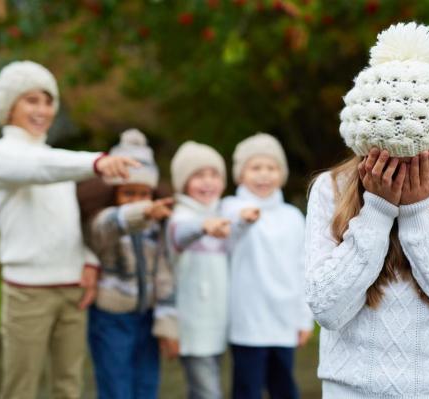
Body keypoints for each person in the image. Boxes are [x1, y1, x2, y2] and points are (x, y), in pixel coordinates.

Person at [305, 22, 429, 398]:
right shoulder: (332, 189)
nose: (402, 165)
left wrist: (415, 213)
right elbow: (328, 310)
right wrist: (377, 211)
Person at [0, 60, 137, 399]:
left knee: (69, 387)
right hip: (28, 293)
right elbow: (38, 168)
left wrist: (89, 260)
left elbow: (66, 222)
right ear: (9, 106)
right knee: (20, 389)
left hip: (72, 291)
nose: (42, 110)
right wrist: (95, 162)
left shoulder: (57, 161)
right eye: (31, 100)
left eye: (48, 101)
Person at [84, 129, 177, 399]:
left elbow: (163, 272)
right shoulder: (104, 221)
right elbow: (108, 225)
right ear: (113, 193)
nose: (136, 200)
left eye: (143, 193)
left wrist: (167, 323)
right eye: (128, 193)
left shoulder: (155, 228)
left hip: (146, 317)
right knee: (116, 387)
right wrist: (143, 211)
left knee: (147, 386)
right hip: (111, 319)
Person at [223, 133, 313, 399]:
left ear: (281, 173)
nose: (264, 175)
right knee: (247, 389)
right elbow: (228, 233)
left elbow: (303, 267)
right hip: (247, 321)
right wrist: (243, 219)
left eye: (271, 168)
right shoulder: (232, 207)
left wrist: (303, 317)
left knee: (284, 388)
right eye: (255, 168)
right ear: (241, 174)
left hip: (284, 319)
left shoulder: (292, 216)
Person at [168, 141, 256, 399]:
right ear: (183, 182)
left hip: (217, 323)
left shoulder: (220, 212)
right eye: (198, 175)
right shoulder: (180, 217)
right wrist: (204, 226)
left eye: (214, 174)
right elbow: (182, 234)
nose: (208, 182)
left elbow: (228, 237)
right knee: (208, 392)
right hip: (192, 326)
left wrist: (244, 222)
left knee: (203, 391)